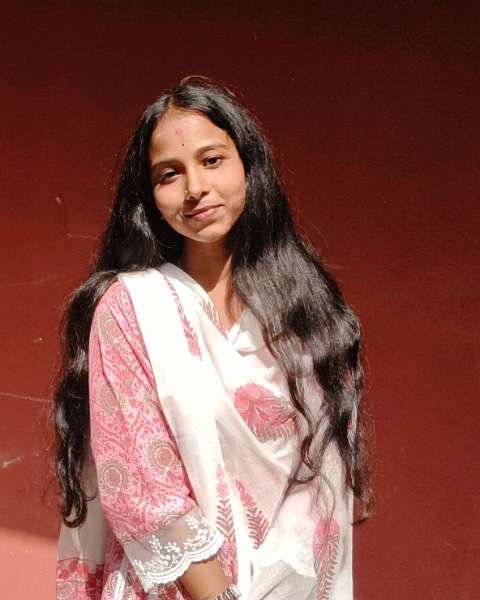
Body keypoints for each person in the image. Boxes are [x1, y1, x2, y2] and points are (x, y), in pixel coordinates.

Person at [52, 76, 371, 600]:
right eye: (169, 173)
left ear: (248, 165)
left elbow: (320, 484)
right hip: (170, 588)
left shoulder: (310, 318)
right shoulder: (132, 309)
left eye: (212, 160)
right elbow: (142, 485)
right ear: (150, 197)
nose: (194, 187)